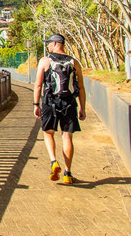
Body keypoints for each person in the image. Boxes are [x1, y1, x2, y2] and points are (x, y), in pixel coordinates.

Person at [33, 34, 86, 184]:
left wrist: (36, 104)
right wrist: (82, 108)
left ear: (56, 43)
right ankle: (68, 173)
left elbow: (38, 85)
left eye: (49, 43)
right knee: (67, 136)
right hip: (69, 103)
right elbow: (81, 87)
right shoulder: (74, 62)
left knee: (48, 133)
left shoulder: (45, 61)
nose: (48, 46)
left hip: (50, 102)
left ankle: (53, 162)